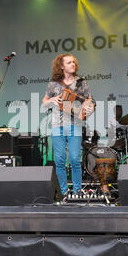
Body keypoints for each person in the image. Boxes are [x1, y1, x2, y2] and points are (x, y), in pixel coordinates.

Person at [42, 54, 95, 198]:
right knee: (59, 160)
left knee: (74, 159)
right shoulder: (53, 84)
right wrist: (51, 100)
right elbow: (44, 102)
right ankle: (64, 193)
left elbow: (89, 101)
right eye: (69, 62)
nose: (73, 64)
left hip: (75, 125)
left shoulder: (81, 82)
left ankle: (77, 192)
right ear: (61, 66)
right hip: (57, 125)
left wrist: (89, 109)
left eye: (74, 62)